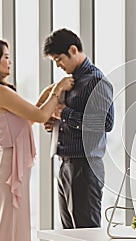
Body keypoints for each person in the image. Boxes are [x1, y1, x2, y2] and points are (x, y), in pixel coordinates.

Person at [0, 38, 73, 241]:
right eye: (5, 57)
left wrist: (51, 91)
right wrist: (59, 88)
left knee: (13, 225)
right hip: (9, 166)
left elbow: (29, 117)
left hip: (8, 164)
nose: (9, 61)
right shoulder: (0, 92)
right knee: (10, 227)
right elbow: (40, 115)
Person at [42, 28, 114, 229]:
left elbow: (105, 124)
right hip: (65, 163)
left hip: (85, 166)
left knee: (86, 235)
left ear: (73, 50)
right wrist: (57, 122)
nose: (58, 65)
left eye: (59, 59)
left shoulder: (95, 81)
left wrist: (63, 114)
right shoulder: (69, 82)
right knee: (69, 235)